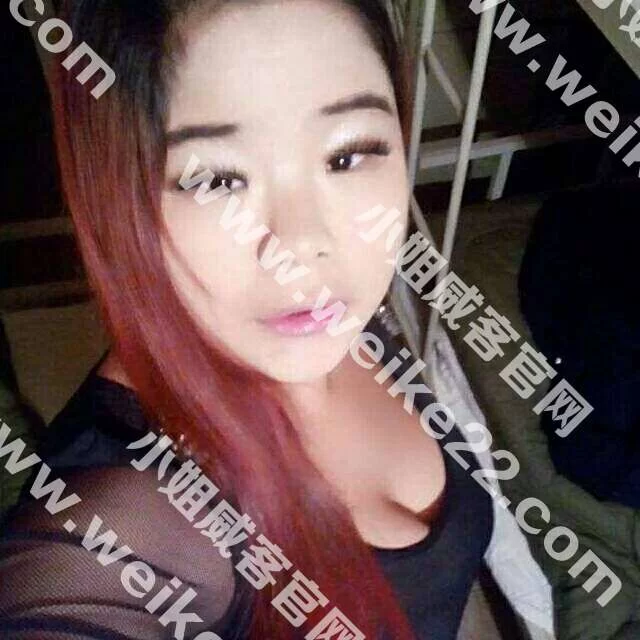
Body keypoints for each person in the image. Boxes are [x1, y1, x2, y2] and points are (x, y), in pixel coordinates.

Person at [0, 1, 493, 638]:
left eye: (349, 155)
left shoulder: (334, 323)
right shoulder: (127, 526)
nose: (302, 243)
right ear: (118, 193)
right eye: (215, 180)